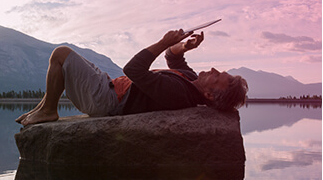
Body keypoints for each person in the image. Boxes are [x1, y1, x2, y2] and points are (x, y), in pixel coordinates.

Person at [16, 29, 248, 126]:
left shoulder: (180, 93)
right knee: (66, 58)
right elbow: (173, 58)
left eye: (219, 76)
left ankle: (48, 111)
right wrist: (185, 46)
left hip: (108, 102)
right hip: (111, 87)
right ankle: (44, 108)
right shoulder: (190, 80)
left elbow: (133, 70)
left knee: (61, 54)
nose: (215, 70)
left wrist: (163, 42)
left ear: (208, 94)